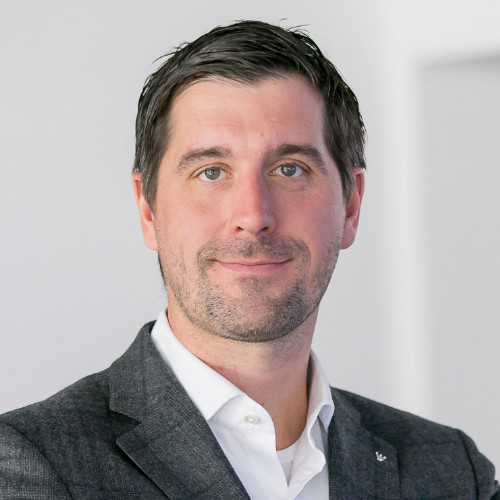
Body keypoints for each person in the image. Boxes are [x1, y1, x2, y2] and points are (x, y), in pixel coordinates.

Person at [0, 20, 497, 500]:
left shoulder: (452, 472)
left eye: (289, 169)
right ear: (148, 210)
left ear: (351, 205)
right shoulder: (35, 464)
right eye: (211, 172)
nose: (254, 216)